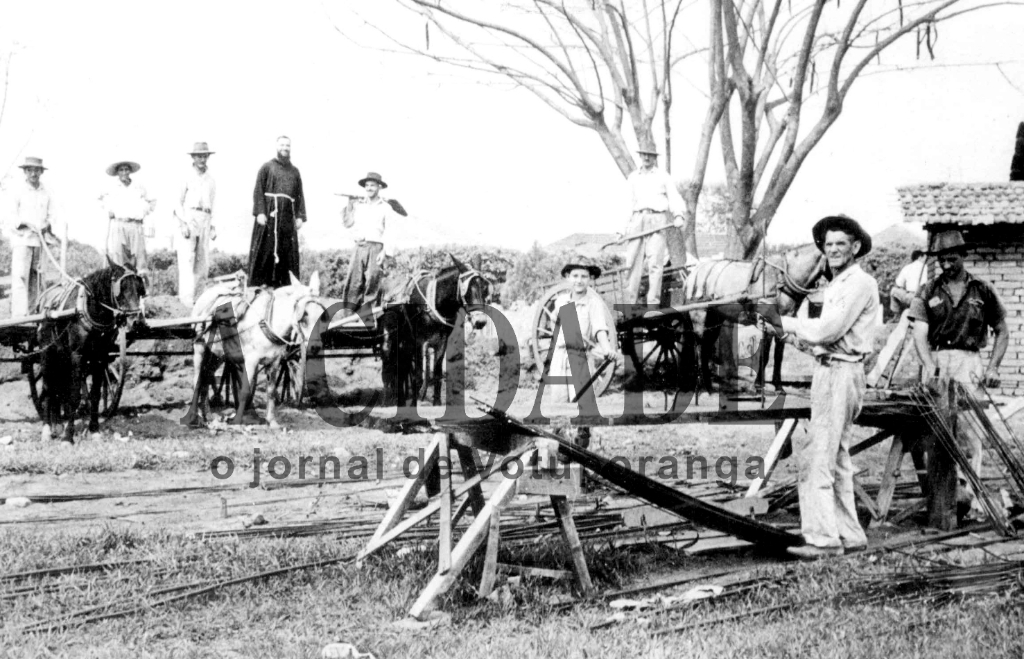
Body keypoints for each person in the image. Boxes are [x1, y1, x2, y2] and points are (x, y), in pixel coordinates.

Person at [758, 215, 880, 560]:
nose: (834, 250)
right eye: (829, 245)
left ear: (856, 248)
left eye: (841, 244)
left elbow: (827, 330)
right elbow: (821, 341)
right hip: (832, 369)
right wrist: (783, 332)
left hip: (840, 375)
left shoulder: (859, 283)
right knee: (837, 456)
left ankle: (823, 540)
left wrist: (782, 319)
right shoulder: (838, 285)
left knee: (817, 457)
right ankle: (850, 534)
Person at [909, 229, 1008, 528]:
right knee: (937, 435)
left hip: (969, 363)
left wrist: (992, 369)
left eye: (952, 259)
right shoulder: (928, 290)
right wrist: (930, 367)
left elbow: (1002, 330)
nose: (946, 265)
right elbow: (919, 333)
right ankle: (943, 500)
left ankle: (971, 500)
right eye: (941, 260)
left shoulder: (982, 290)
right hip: (938, 360)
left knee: (969, 436)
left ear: (964, 256)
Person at [623, 139, 690, 307]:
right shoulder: (633, 178)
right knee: (632, 263)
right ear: (640, 156)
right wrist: (620, 230)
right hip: (638, 219)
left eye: (650, 155)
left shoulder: (663, 176)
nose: (646, 158)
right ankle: (629, 303)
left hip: (657, 220)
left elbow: (674, 197)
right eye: (644, 155)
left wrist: (678, 215)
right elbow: (626, 204)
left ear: (654, 158)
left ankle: (652, 303)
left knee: (655, 263)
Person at [547, 258, 621, 404]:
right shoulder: (561, 301)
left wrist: (607, 349)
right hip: (560, 357)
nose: (579, 280)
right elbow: (554, 322)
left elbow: (600, 329)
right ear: (568, 277)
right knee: (558, 402)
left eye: (584, 276)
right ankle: (559, 427)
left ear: (590, 279)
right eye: (575, 276)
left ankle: (583, 428)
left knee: (583, 404)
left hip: (581, 358)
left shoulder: (593, 303)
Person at [3, 157, 60, 316]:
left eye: (36, 170)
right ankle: (20, 317)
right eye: (30, 170)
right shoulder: (17, 190)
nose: (33, 173)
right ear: (25, 172)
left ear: (41, 172)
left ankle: (35, 315)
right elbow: (11, 215)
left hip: (41, 242)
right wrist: (25, 223)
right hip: (22, 239)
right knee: (20, 277)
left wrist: (46, 225)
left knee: (38, 278)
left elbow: (53, 215)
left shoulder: (47, 192)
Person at [248, 136, 306, 288]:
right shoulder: (267, 167)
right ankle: (258, 286)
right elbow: (258, 191)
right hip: (268, 215)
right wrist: (260, 212)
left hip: (287, 217)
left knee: (286, 252)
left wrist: (300, 216)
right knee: (265, 250)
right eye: (282, 145)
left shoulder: (295, 172)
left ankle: (285, 287)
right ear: (276, 147)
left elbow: (300, 195)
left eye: (287, 145)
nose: (285, 148)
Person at [340, 172, 402, 310]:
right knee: (353, 282)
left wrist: (384, 252)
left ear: (379, 187)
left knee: (372, 282)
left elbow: (390, 231)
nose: (369, 188)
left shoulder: (386, 207)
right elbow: (347, 224)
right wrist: (349, 205)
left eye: (372, 185)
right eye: (367, 186)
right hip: (359, 246)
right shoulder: (358, 205)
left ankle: (368, 318)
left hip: (376, 248)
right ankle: (348, 316)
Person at [175, 142, 217, 307]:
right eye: (199, 156)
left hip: (205, 218)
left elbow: (213, 204)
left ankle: (199, 300)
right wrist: (183, 223)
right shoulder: (185, 176)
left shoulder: (211, 179)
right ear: (193, 157)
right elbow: (177, 202)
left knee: (203, 262)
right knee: (187, 260)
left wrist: (213, 225)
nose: (202, 159)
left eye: (204, 156)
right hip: (189, 217)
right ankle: (186, 302)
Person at [100, 160, 156, 272]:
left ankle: (140, 284)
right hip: (119, 224)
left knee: (139, 257)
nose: (124, 172)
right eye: (121, 170)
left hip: (135, 225)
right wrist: (109, 210)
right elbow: (101, 200)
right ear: (117, 172)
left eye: (126, 169)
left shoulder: (138, 186)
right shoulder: (112, 187)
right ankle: (121, 286)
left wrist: (143, 212)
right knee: (119, 257)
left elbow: (151, 202)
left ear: (130, 171)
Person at [890, 249, 926, 316]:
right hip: (923, 298)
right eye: (924, 257)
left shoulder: (907, 267)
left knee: (893, 291)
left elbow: (898, 284)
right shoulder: (926, 267)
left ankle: (897, 315)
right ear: (920, 257)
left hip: (910, 297)